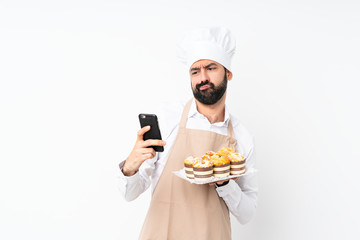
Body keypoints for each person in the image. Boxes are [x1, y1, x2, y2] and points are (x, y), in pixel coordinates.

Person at [117, 26, 258, 240]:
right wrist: (130, 166)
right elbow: (129, 194)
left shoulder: (242, 136)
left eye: (211, 68)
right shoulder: (166, 119)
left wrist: (225, 183)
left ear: (228, 73)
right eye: (195, 71)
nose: (203, 78)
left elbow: (247, 214)